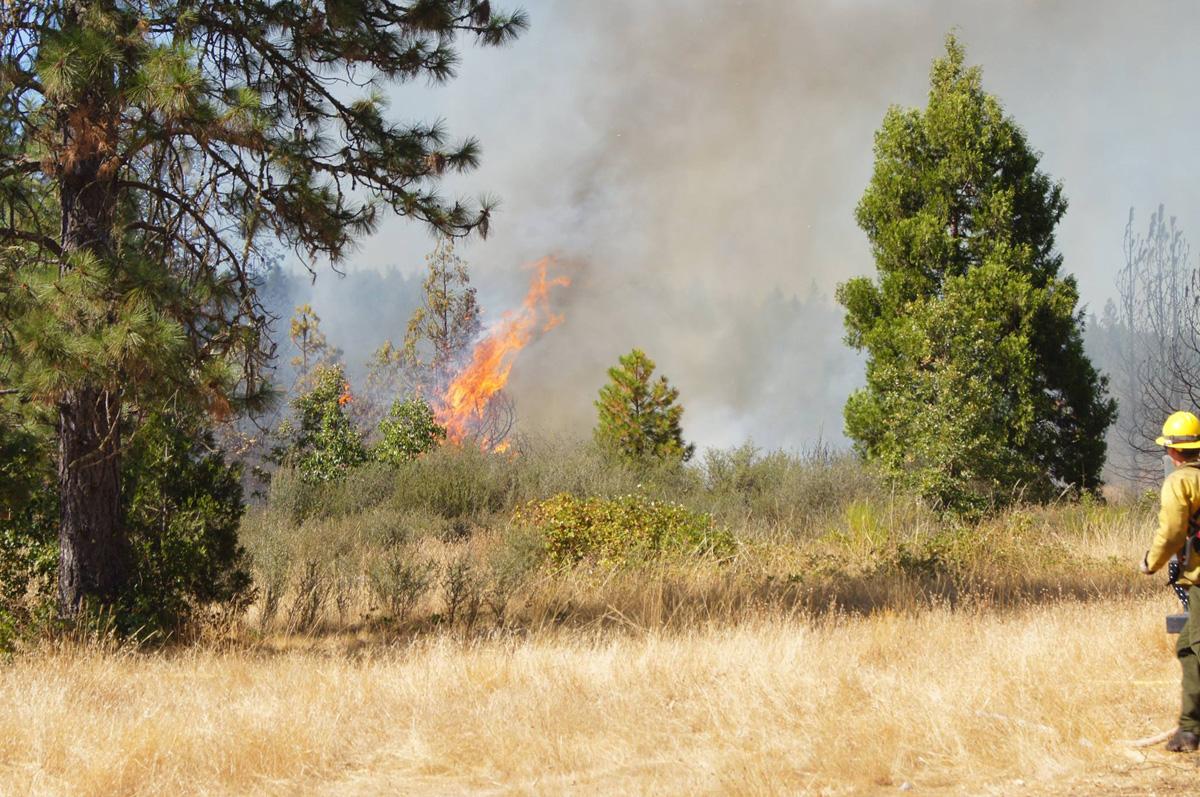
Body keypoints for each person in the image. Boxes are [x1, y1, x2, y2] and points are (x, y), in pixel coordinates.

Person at [1142, 410, 1200, 752]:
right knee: (1187, 647)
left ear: (1174, 450)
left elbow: (1173, 532)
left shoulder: (1180, 482)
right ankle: (1190, 730)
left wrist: (1151, 563)